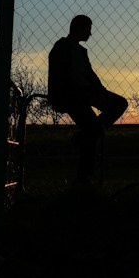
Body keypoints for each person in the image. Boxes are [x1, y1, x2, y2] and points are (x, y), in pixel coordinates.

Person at [48, 15, 128, 183]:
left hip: (86, 93)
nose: (90, 34)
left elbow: (90, 74)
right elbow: (63, 78)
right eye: (88, 29)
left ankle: (84, 136)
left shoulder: (81, 51)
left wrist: (100, 90)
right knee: (93, 130)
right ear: (80, 28)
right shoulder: (61, 47)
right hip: (71, 96)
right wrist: (89, 91)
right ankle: (83, 176)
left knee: (120, 103)